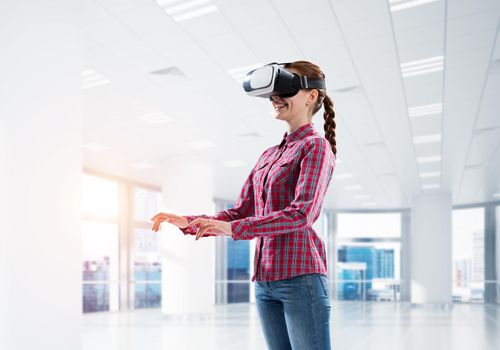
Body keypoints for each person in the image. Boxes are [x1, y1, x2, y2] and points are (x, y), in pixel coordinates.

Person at [151, 60, 337, 350]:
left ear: (311, 96)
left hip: (301, 280)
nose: (275, 99)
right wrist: (191, 221)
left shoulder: (315, 146)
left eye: (283, 91)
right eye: (272, 94)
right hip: (265, 281)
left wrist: (234, 228)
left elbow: (301, 214)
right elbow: (240, 212)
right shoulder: (267, 155)